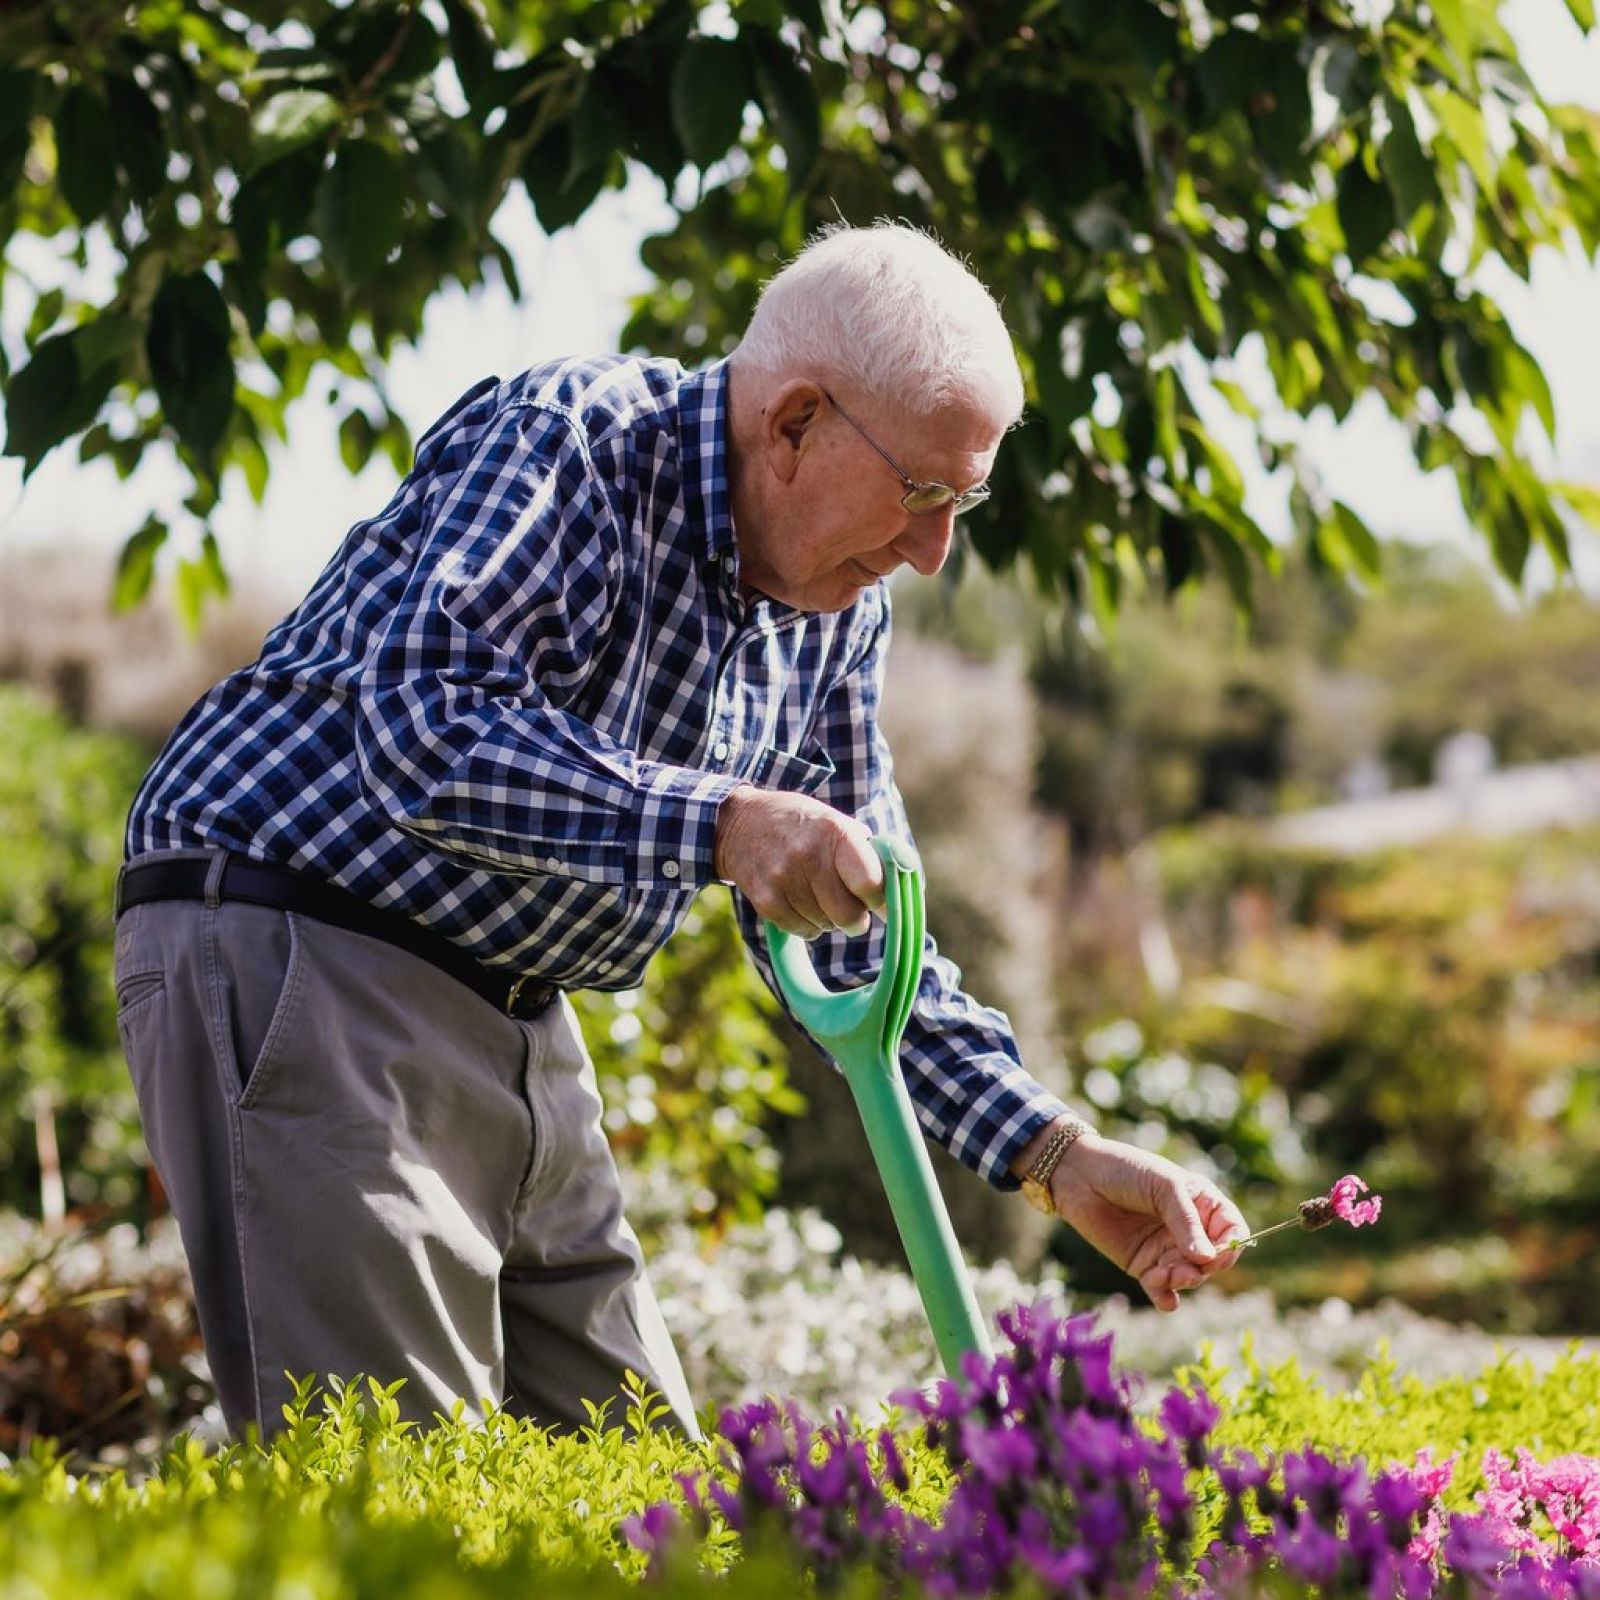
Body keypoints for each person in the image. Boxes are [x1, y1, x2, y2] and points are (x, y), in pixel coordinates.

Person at [112, 222, 1246, 1445]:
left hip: (518, 1005)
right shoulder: (573, 442)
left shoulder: (834, 612)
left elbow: (863, 943)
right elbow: (423, 731)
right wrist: (720, 821)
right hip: (299, 935)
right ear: (795, 421)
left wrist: (1055, 1153)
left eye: (961, 502)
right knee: (403, 1497)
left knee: (648, 1500)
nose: (932, 551)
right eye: (921, 493)